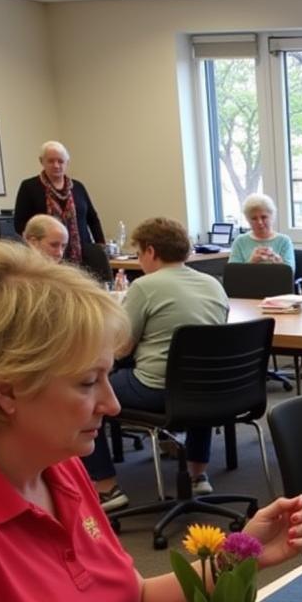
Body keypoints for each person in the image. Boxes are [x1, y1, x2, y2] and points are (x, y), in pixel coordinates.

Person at [0, 240, 302, 602]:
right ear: (6, 391)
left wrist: (234, 559)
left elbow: (128, 601)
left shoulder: (62, 471)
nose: (112, 404)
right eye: (88, 383)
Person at [82, 217, 230, 511]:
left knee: (87, 397)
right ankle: (198, 474)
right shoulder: (213, 284)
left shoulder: (145, 286)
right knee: (193, 374)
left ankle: (107, 488)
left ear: (151, 251)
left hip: (156, 389)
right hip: (214, 389)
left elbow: (122, 347)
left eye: (138, 253)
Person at [12, 140, 104, 266]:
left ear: (67, 163)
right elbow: (20, 224)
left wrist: (101, 248)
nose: (56, 165)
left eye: (60, 161)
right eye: (51, 161)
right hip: (46, 258)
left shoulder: (77, 187)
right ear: (41, 161)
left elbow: (92, 218)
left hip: (81, 254)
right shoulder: (29, 187)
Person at [228, 193, 295, 269]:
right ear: (248, 220)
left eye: (264, 217)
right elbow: (233, 274)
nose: (259, 222)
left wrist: (280, 265)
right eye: (254, 218)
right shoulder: (240, 241)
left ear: (272, 217)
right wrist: (252, 262)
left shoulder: (284, 241)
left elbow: (290, 273)